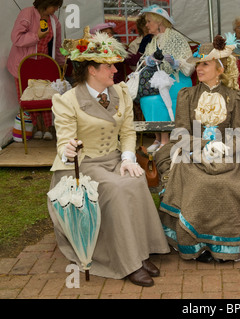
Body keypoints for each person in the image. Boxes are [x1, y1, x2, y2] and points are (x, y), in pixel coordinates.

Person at [48, 29, 170, 287]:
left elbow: (127, 131)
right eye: (109, 66)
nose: (116, 70)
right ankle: (127, 262)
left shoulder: (120, 93)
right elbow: (64, 142)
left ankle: (140, 252)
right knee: (116, 188)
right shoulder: (67, 101)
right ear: (92, 70)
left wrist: (128, 158)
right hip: (81, 165)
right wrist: (68, 149)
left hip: (113, 158)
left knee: (135, 181)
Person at [154, 35, 240, 263]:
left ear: (220, 68)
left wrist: (223, 148)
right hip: (192, 153)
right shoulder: (186, 95)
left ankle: (222, 247)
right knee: (198, 183)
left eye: (205, 64)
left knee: (226, 183)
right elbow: (180, 133)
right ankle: (194, 244)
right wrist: (204, 146)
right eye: (198, 64)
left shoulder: (235, 97)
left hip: (227, 154)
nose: (199, 68)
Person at [7, 0, 66, 141]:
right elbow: (16, 38)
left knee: (45, 95)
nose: (57, 9)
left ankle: (47, 127)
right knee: (29, 95)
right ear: (46, 3)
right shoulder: (27, 13)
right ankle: (36, 127)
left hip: (42, 65)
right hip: (24, 65)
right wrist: (37, 36)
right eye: (55, 6)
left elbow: (56, 46)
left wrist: (61, 63)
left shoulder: (54, 20)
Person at [139, 5, 195, 152]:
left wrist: (176, 63)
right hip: (159, 81)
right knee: (147, 99)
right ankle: (158, 138)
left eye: (149, 21)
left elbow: (190, 66)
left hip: (177, 81)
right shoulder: (152, 41)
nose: (146, 24)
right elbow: (142, 61)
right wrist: (148, 61)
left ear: (159, 22)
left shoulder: (176, 37)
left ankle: (165, 140)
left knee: (160, 98)